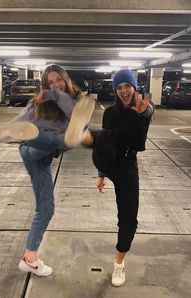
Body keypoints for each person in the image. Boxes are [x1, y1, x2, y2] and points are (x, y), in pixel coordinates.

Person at [0, 64, 95, 277]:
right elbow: (18, 120)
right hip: (30, 150)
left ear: (66, 79)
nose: (55, 85)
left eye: (58, 80)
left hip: (44, 157)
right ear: (44, 85)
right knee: (59, 139)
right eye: (49, 83)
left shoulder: (74, 102)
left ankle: (29, 258)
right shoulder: (37, 104)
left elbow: (73, 111)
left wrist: (53, 95)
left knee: (46, 209)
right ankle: (27, 136)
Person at [65, 68, 154, 287]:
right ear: (116, 90)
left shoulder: (143, 108)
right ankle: (85, 136)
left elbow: (146, 121)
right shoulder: (110, 113)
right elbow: (107, 144)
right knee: (105, 137)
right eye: (120, 87)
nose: (124, 91)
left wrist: (142, 113)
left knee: (128, 217)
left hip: (127, 164)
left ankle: (119, 261)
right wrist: (101, 174)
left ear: (134, 88)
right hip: (109, 159)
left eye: (127, 86)